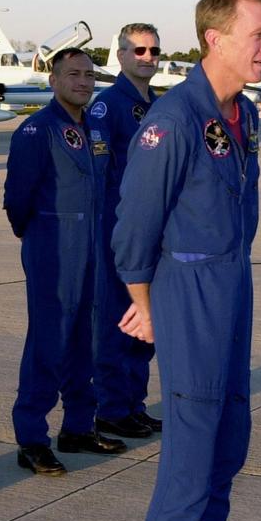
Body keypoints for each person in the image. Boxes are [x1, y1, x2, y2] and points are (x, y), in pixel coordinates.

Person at [113, 0, 261, 521]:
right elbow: (133, 228)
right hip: (189, 296)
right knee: (187, 464)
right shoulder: (173, 120)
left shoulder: (242, 116)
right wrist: (147, 304)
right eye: (259, 34)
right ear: (216, 38)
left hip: (232, 289)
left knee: (225, 449)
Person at [3, 48, 127, 477]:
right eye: (73, 74)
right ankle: (31, 438)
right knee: (48, 341)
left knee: (84, 339)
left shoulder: (94, 127)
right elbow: (17, 199)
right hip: (52, 245)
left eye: (90, 75)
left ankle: (77, 426)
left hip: (91, 242)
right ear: (53, 80)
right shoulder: (37, 130)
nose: (83, 82)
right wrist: (39, 237)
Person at [89, 23, 163, 440]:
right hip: (118, 229)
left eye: (153, 50)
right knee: (118, 320)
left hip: (154, 231)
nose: (147, 58)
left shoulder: (160, 105)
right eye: (138, 50)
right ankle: (112, 408)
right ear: (120, 55)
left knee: (146, 323)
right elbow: (99, 173)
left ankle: (133, 404)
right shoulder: (108, 106)